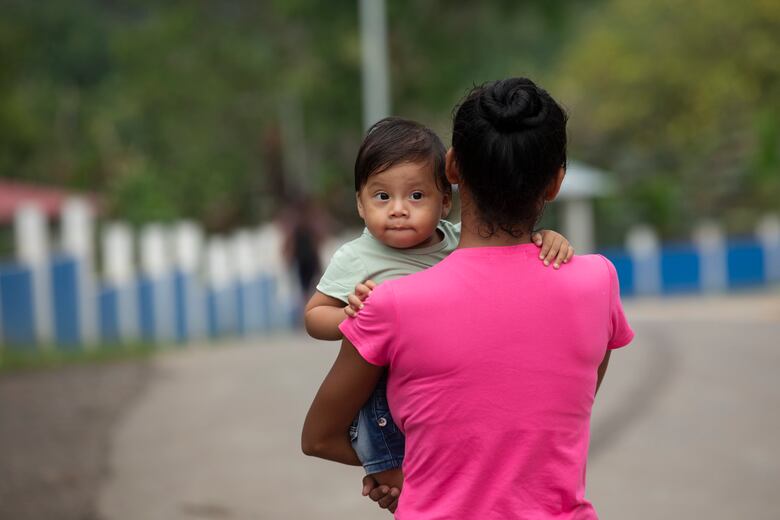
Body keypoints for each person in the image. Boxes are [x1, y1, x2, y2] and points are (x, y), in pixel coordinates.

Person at [303, 116, 575, 493]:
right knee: (396, 464)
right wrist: (348, 316)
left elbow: (506, 254)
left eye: (416, 196)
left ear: (446, 202)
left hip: (437, 389)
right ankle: (393, 478)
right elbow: (314, 315)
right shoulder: (357, 257)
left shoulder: (456, 241)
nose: (398, 209)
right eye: (382, 197)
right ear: (361, 205)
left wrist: (546, 238)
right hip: (380, 387)